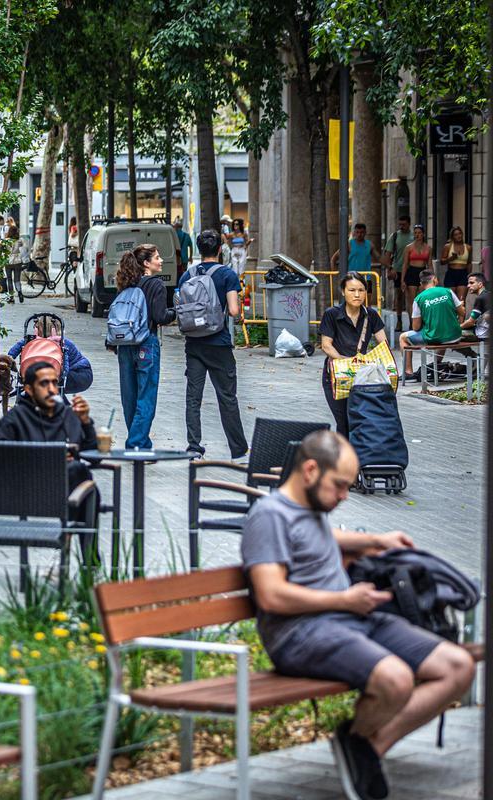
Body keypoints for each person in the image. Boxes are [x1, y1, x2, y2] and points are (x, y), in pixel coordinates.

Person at [241, 430, 474, 800]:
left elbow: (321, 540)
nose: (345, 496)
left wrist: (375, 541)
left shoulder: (311, 508)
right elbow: (271, 596)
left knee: (457, 666)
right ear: (311, 470)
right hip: (300, 632)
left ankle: (364, 749)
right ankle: (360, 751)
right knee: (395, 679)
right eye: (339, 486)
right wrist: (344, 600)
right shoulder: (268, 516)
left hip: (349, 617)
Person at [0, 362, 98, 523]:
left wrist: (85, 423)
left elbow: (93, 456)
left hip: (65, 490)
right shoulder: (15, 418)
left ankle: (79, 542)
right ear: (28, 389)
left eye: (54, 383)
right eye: (44, 383)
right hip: (25, 492)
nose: (51, 389)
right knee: (79, 472)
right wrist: (50, 457)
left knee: (80, 474)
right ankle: (72, 537)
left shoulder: (66, 414)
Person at [177, 229, 248, 459]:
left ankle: (194, 446)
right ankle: (238, 449)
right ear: (219, 249)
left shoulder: (187, 275)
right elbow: (235, 310)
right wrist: (238, 315)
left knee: (193, 397)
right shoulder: (227, 275)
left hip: (194, 344)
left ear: (199, 250)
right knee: (227, 397)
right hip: (219, 344)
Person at [111, 244, 175, 449]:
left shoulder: (126, 283)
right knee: (146, 396)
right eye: (157, 257)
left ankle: (140, 442)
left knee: (129, 396)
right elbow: (160, 317)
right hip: (146, 343)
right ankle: (136, 444)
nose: (161, 260)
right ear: (146, 263)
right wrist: (176, 311)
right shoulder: (156, 285)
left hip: (124, 344)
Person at [319, 273, 388, 437]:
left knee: (359, 421)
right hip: (336, 376)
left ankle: (359, 459)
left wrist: (377, 363)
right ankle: (343, 460)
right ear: (343, 291)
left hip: (361, 377)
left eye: (361, 290)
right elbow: (326, 346)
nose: (357, 295)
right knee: (343, 422)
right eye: (352, 290)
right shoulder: (332, 314)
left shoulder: (371, 315)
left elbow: (383, 345)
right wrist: (346, 362)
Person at [398, 269, 463, 382]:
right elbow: (462, 312)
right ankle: (436, 366)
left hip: (435, 337)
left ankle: (408, 372)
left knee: (403, 338)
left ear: (421, 284)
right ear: (435, 280)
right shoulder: (448, 291)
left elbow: (415, 327)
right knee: (442, 334)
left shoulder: (418, 299)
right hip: (455, 335)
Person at [6, 317, 93, 394]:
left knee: (50, 383)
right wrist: (9, 359)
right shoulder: (33, 341)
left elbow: (65, 367)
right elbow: (16, 349)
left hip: (80, 374)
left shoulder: (62, 343)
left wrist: (62, 375)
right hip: (58, 373)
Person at [382, 215, 414, 326]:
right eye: (399, 224)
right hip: (398, 270)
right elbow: (387, 254)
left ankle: (412, 321)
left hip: (412, 270)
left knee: (411, 297)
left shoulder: (414, 236)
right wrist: (390, 269)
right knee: (399, 296)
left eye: (404, 224)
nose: (401, 226)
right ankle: (399, 320)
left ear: (409, 224)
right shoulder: (395, 236)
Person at [400, 224, 432, 324]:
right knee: (412, 301)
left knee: (422, 299)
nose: (417, 235)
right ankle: (412, 322)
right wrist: (402, 280)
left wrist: (433, 278)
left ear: (423, 234)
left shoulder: (428, 248)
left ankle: (422, 322)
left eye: (419, 233)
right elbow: (405, 264)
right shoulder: (408, 248)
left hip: (423, 272)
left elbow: (430, 264)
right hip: (412, 272)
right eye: (415, 233)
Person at [439, 225, 472, 301]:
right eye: (456, 235)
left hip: (463, 274)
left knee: (461, 300)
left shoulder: (468, 247)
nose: (458, 236)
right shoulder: (448, 246)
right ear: (452, 237)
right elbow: (442, 261)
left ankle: (461, 313)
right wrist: (451, 258)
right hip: (451, 273)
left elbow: (469, 263)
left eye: (460, 233)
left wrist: (469, 276)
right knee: (451, 300)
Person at [5, 223, 30, 304]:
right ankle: (20, 293)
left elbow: (0, 249)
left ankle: (11, 297)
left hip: (8, 262)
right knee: (17, 279)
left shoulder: (6, 241)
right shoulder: (20, 240)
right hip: (17, 261)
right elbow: (26, 249)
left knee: (9, 279)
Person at [460, 273, 488, 341]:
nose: (468, 286)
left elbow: (471, 322)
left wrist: (456, 328)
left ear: (480, 284)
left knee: (450, 336)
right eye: (468, 283)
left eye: (471, 283)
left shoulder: (480, 298)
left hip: (483, 335)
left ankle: (472, 352)